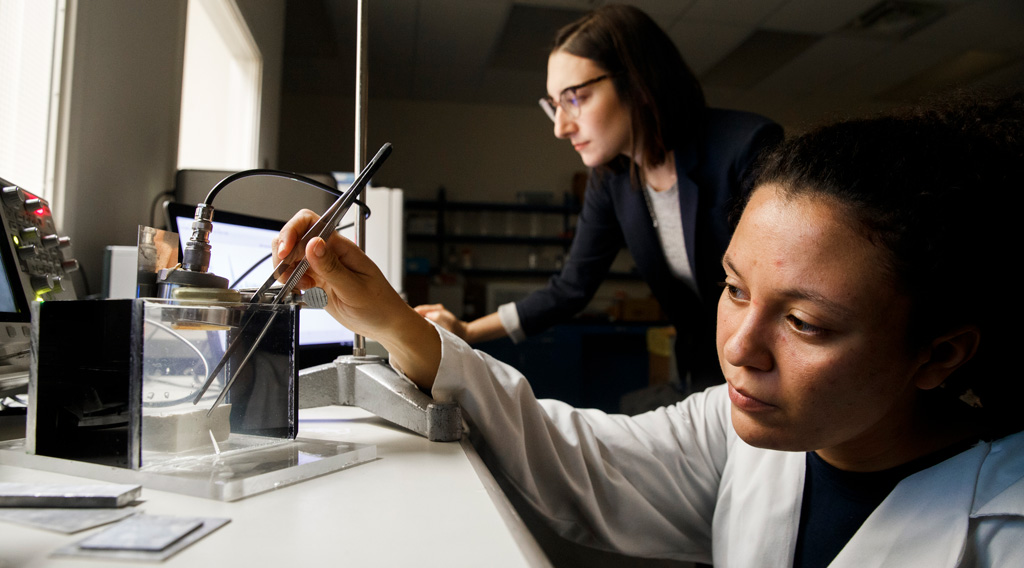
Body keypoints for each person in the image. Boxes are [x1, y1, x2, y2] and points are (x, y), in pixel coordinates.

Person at [274, 91, 1024, 566]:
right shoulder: (739, 434)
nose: (738, 347)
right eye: (733, 289)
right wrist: (397, 324)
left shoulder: (1002, 526)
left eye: (802, 321)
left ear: (940, 354)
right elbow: (574, 456)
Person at [414, 5, 782, 391]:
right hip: (705, 370)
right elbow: (571, 287)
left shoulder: (746, 147)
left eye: (576, 98)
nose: (560, 127)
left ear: (638, 83)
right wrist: (467, 330)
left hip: (768, 364)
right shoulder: (612, 180)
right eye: (555, 105)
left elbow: (778, 285)